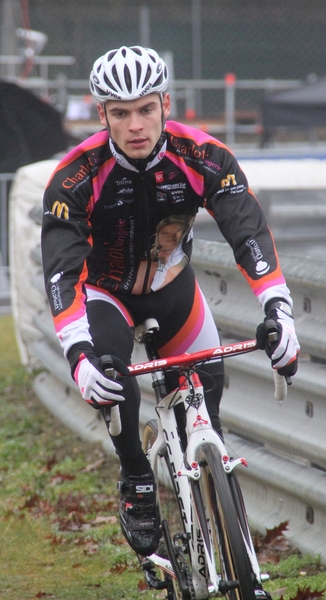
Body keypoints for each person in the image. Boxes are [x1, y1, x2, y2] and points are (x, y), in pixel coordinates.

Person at [41, 46, 300, 562]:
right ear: (102, 115)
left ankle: (236, 547)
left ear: (165, 103)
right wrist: (78, 353)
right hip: (106, 294)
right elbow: (61, 272)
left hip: (174, 289)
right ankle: (137, 475)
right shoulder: (74, 176)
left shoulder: (203, 156)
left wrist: (278, 306)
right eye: (120, 113)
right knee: (112, 378)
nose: (135, 124)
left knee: (209, 410)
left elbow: (245, 230)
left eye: (145, 109)